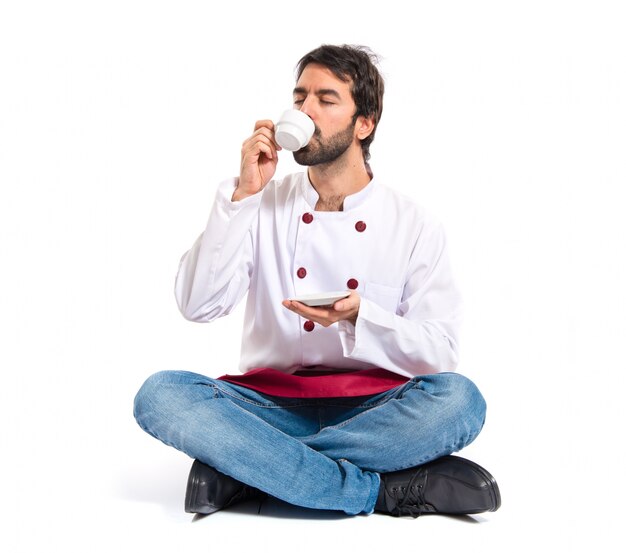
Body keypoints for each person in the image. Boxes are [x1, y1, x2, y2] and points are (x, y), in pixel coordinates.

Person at [133, 44, 501, 518]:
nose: (304, 110)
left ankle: (246, 467)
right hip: (267, 405)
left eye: (325, 100)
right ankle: (378, 492)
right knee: (159, 395)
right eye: (300, 97)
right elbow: (197, 305)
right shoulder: (260, 201)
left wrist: (361, 319)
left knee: (460, 402)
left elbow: (439, 351)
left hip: (374, 410)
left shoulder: (413, 224)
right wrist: (243, 195)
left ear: (363, 124)